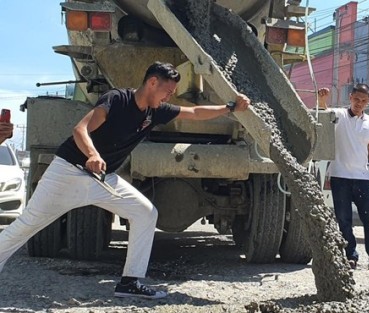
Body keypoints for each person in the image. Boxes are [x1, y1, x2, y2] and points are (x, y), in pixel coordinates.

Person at [0, 62, 250, 299]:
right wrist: (93, 154)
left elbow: (194, 112)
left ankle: (130, 282)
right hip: (68, 173)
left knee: (145, 213)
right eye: (167, 91)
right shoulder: (117, 99)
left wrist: (230, 107)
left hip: (102, 179)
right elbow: (81, 129)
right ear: (152, 82)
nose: (169, 97)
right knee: (27, 225)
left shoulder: (156, 112)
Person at [317, 84, 369, 270]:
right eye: (356, 99)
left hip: (362, 178)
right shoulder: (339, 115)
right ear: (351, 97)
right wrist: (322, 98)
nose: (359, 104)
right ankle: (351, 256)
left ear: (368, 102)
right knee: (344, 220)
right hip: (339, 177)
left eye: (363, 101)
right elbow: (323, 111)